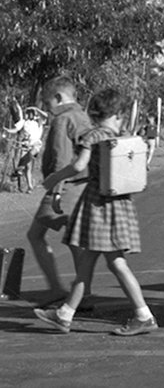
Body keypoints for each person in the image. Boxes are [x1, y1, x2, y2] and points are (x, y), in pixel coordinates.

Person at [32, 88, 157, 336]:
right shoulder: (122, 138)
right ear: (117, 115)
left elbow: (79, 165)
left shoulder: (93, 136)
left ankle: (144, 315)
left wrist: (57, 178)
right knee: (89, 262)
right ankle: (64, 314)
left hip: (98, 206)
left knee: (116, 263)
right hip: (118, 205)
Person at [25, 77, 93, 305]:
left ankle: (58, 288)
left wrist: (55, 190)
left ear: (58, 98)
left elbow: (61, 158)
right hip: (84, 184)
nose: (47, 109)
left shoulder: (63, 119)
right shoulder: (83, 116)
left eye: (47, 103)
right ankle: (82, 293)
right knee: (76, 240)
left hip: (66, 186)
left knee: (35, 235)